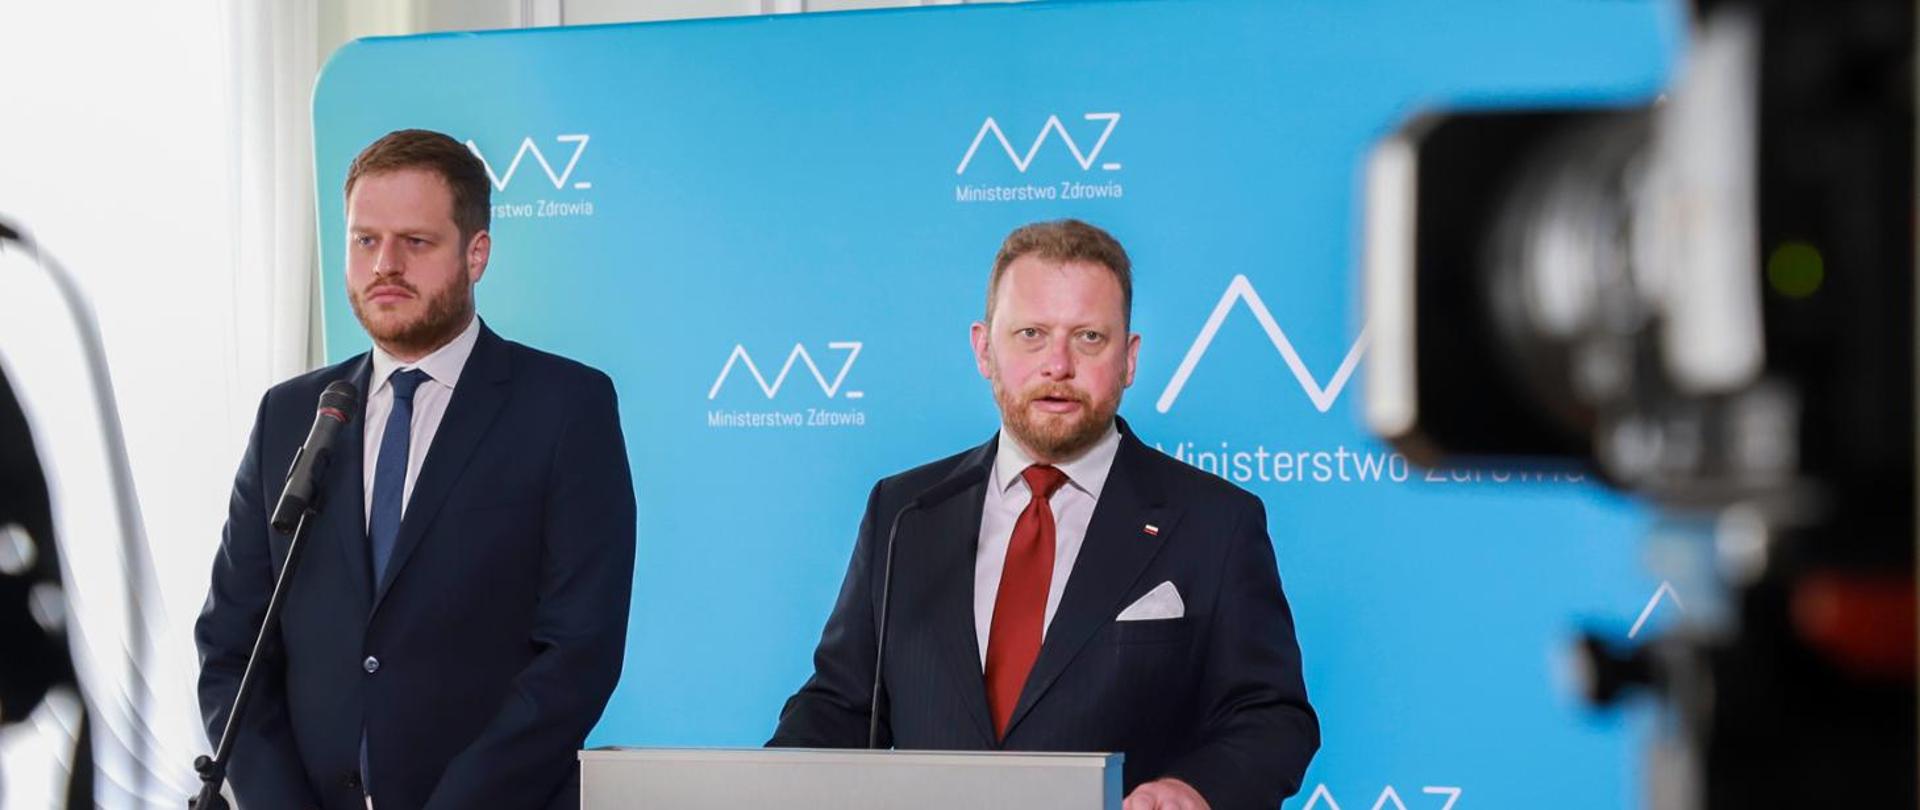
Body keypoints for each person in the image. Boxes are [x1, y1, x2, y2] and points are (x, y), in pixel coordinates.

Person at [768, 219, 1318, 809]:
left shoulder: (1216, 522)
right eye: (1031, 334)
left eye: (1089, 337)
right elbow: (843, 705)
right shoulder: (905, 512)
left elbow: (1270, 716)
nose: (1058, 364)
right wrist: (760, 784)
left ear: (1129, 359)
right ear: (984, 348)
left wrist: (1194, 789)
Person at [195, 129, 635, 810]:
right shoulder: (290, 415)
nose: (385, 265)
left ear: (475, 253)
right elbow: (233, 649)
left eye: (416, 242)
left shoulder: (565, 408)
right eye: (365, 240)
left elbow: (579, 653)